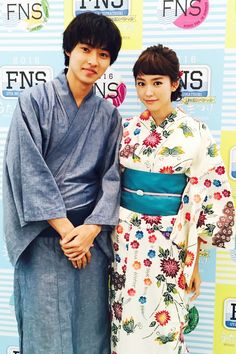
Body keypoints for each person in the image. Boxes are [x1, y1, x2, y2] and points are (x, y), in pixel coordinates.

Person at [3, 12, 122, 354]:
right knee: (45, 334)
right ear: (69, 50)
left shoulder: (108, 115)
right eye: (86, 49)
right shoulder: (34, 102)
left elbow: (112, 178)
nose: (93, 61)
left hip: (89, 242)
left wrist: (91, 229)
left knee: (90, 333)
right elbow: (27, 171)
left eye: (103, 55)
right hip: (43, 237)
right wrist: (67, 230)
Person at [110, 44, 235, 354]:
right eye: (141, 83)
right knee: (124, 320)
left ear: (175, 83)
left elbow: (208, 193)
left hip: (172, 244)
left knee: (165, 324)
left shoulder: (195, 133)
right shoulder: (126, 130)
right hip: (125, 241)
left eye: (157, 82)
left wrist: (194, 265)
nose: (148, 92)